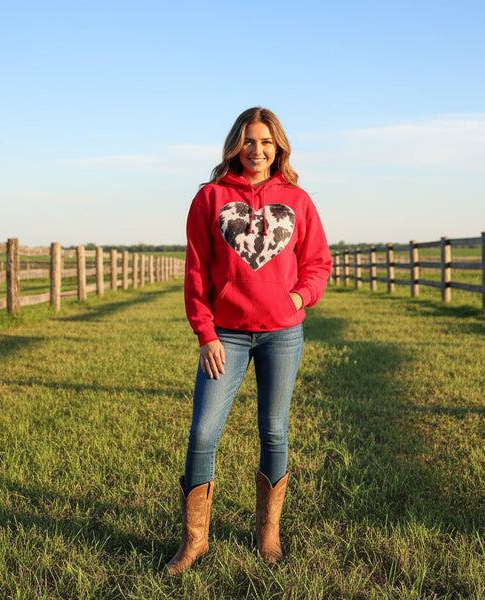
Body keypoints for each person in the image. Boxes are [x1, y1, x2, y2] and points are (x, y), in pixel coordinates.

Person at [167, 107, 331, 575]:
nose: (257, 151)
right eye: (248, 141)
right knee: (202, 434)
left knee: (274, 430)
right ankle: (194, 542)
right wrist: (205, 333)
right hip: (226, 337)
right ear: (235, 145)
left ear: (278, 147)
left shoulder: (297, 200)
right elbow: (197, 270)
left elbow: (318, 262)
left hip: (282, 335)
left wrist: (298, 299)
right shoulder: (210, 198)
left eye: (266, 142)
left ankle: (268, 533)